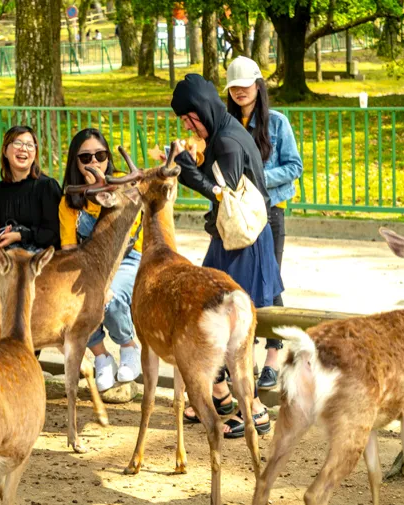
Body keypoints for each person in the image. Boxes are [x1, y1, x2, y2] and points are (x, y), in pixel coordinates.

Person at [171, 73, 282, 439]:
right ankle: (219, 394)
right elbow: (216, 181)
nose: (189, 126)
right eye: (184, 122)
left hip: (244, 246)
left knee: (234, 323)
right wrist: (191, 163)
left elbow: (224, 193)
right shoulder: (222, 133)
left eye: (190, 119)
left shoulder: (230, 141)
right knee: (208, 309)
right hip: (230, 239)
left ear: (203, 110)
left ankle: (255, 410)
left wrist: (188, 173)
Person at [224, 56, 303, 390]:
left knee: (269, 282)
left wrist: (254, 179)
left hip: (269, 212)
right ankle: (244, 360)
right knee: (239, 286)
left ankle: (273, 356)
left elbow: (294, 166)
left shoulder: (278, 123)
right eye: (234, 87)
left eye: (246, 85)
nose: (241, 91)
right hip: (234, 215)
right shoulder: (226, 124)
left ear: (258, 85)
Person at [59, 128, 142, 392]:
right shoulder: (70, 201)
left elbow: (127, 235)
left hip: (126, 258)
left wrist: (103, 285)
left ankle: (128, 346)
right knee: (80, 301)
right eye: (85, 158)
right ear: (76, 162)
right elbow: (70, 248)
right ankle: (101, 356)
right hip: (86, 263)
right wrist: (92, 282)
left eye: (100, 155)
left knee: (111, 297)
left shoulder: (125, 185)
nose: (94, 162)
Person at [0, 125, 62, 253]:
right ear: (5, 150)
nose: (23, 149)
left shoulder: (47, 187)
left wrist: (20, 236)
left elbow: (54, 233)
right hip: (7, 262)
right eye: (17, 143)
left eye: (29, 145)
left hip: (41, 263)